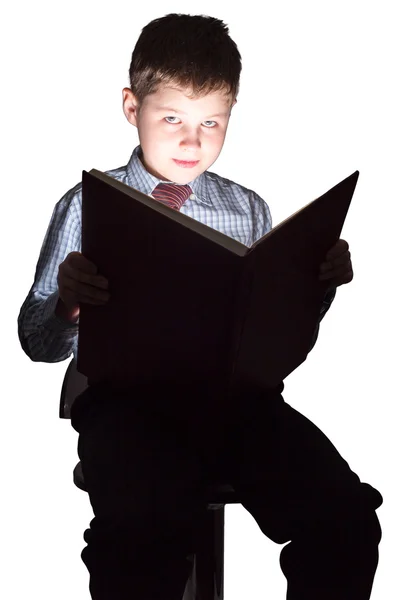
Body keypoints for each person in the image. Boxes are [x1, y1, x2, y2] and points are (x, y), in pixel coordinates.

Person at [18, 12, 383, 600]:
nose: (193, 141)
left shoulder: (247, 210)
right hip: (127, 407)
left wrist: (317, 288)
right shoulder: (87, 206)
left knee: (346, 519)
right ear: (131, 108)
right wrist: (67, 305)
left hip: (240, 406)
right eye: (172, 119)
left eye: (212, 121)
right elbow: (37, 343)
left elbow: (276, 336)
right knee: (141, 536)